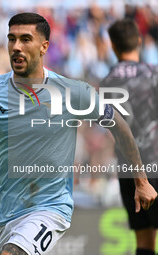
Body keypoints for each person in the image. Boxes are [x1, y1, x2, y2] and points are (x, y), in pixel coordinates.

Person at [0, 13, 158, 255]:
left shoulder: (72, 91)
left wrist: (141, 180)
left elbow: (119, 124)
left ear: (44, 46)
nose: (16, 46)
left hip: (49, 208)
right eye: (11, 39)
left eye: (25, 39)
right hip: (1, 214)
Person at [100, 19, 158, 255]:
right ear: (140, 42)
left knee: (143, 240)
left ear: (113, 46)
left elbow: (112, 127)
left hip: (130, 171)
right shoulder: (153, 74)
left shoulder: (107, 82)